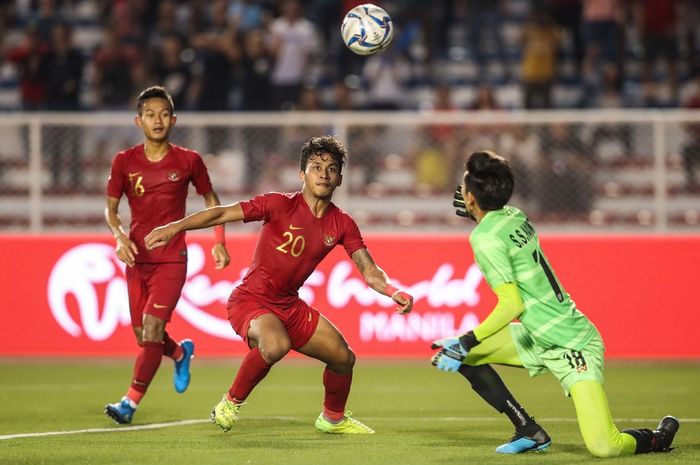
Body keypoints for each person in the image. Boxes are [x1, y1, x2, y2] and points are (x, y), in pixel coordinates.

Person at [145, 135, 414, 434]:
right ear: (302, 174)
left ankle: (332, 418)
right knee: (276, 344)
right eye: (315, 167)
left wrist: (393, 291)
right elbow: (222, 212)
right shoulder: (278, 204)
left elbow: (370, 270)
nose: (323, 174)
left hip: (289, 305)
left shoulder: (342, 223)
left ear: (339, 179)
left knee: (343, 359)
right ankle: (229, 403)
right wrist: (175, 227)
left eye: (331, 168)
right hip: (251, 300)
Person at [430, 150, 679, 456]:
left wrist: (466, 339)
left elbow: (512, 305)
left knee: (604, 446)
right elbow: (496, 219)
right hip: (537, 335)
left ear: (470, 198)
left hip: (572, 344)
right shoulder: (515, 215)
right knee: (467, 357)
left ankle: (656, 438)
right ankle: (528, 429)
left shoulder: (483, 238)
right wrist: (475, 208)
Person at [104, 86, 231, 424]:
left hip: (172, 258)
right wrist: (118, 236)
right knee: (143, 335)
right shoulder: (124, 161)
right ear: (138, 120)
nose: (157, 120)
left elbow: (211, 199)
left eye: (163, 114)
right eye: (150, 114)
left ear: (173, 120)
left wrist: (219, 240)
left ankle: (129, 403)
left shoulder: (189, 160)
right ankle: (179, 352)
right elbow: (112, 209)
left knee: (151, 329)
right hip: (137, 258)